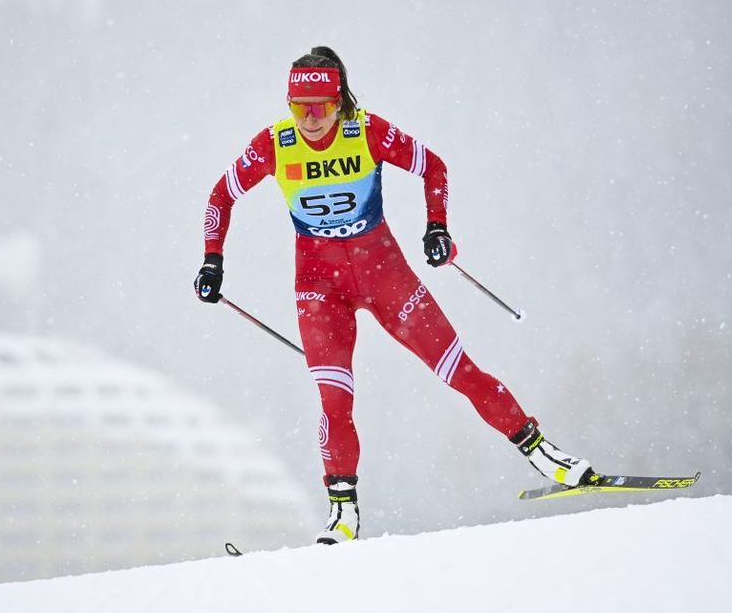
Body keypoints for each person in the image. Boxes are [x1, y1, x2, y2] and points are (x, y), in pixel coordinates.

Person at [194, 46, 594, 544]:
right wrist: (213, 259)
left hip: (386, 277)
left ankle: (544, 455)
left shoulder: (368, 131)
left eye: (320, 106)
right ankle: (343, 515)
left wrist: (437, 228)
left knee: (459, 371)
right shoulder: (275, 144)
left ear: (340, 101)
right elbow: (220, 195)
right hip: (319, 290)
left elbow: (435, 168)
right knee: (334, 401)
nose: (311, 120)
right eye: (300, 109)